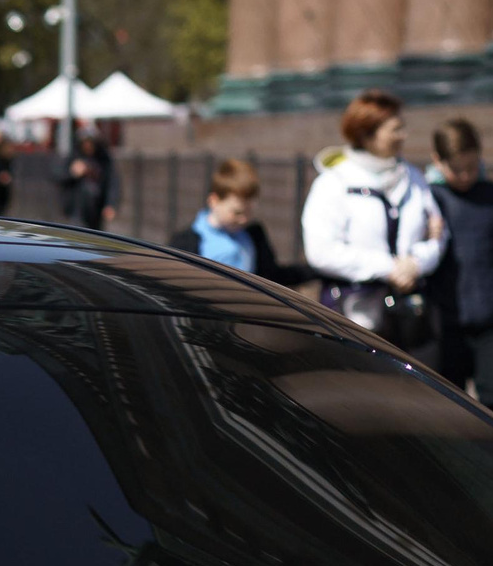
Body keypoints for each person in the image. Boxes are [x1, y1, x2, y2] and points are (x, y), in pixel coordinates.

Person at [301, 88, 444, 364]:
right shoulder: (333, 183)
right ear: (367, 134)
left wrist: (416, 263)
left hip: (410, 321)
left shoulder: (414, 178)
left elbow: (437, 233)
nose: (403, 135)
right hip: (354, 322)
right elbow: (321, 251)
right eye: (395, 129)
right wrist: (389, 267)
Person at [428, 116, 493, 414]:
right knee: (448, 399)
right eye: (456, 169)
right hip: (446, 318)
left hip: (489, 313)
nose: (465, 176)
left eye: (471, 167)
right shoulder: (430, 198)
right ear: (438, 160)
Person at [166, 157, 304, 284]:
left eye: (249, 212)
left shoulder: (253, 234)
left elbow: (272, 277)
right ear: (214, 201)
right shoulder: (185, 242)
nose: (244, 219)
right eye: (237, 212)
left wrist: (310, 270)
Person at [57, 129, 115, 229]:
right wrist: (73, 173)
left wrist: (110, 204)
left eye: (91, 143)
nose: (88, 146)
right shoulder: (73, 157)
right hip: (76, 210)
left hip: (96, 210)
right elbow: (59, 176)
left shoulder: (103, 161)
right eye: (85, 143)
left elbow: (112, 183)